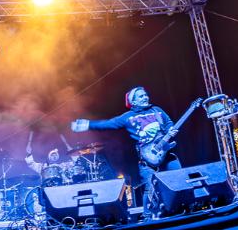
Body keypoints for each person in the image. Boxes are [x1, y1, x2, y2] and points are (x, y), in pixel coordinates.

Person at [70, 87, 176, 219]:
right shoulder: (128, 117)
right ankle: (147, 216)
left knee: (177, 180)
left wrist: (170, 129)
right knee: (150, 186)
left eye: (145, 95)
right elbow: (108, 124)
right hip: (146, 158)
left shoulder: (157, 110)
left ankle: (179, 208)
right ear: (133, 101)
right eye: (141, 96)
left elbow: (168, 123)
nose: (145, 97)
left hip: (166, 153)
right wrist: (87, 124)